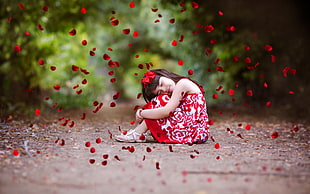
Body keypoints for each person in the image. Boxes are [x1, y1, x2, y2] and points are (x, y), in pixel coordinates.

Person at [114, 69, 210, 144]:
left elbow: (166, 111)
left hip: (194, 132)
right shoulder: (176, 90)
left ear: (164, 74)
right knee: (160, 101)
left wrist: (142, 113)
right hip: (196, 132)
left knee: (160, 100)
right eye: (159, 91)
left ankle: (138, 133)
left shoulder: (183, 83)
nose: (164, 89)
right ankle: (138, 133)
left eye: (161, 84)